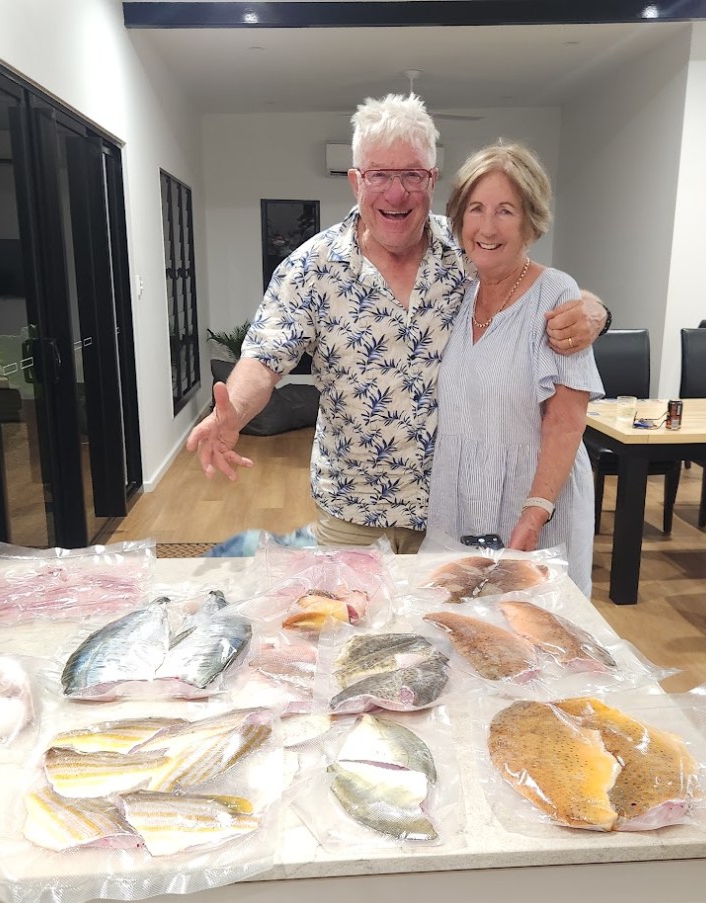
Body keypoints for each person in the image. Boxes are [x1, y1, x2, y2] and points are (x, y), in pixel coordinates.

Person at [185, 94, 607, 554]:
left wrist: (593, 310)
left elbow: (531, 288)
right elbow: (264, 359)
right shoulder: (312, 266)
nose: (395, 192)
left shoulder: (467, 249)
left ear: (432, 178)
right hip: (353, 512)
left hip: (458, 509)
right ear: (355, 181)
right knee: (352, 623)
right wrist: (233, 414)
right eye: (379, 175)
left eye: (411, 175)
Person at [427, 142, 602, 594]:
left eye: (505, 210)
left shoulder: (557, 295)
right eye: (476, 209)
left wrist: (534, 513)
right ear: (459, 218)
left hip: (536, 504)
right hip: (460, 497)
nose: (487, 226)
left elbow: (567, 421)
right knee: (461, 629)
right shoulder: (460, 293)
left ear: (530, 220)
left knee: (536, 637)